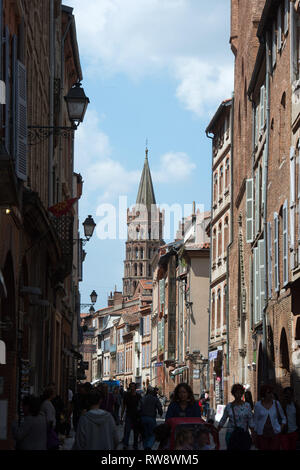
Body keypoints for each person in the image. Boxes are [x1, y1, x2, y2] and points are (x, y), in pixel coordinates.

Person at [217, 383, 254, 450]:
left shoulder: (247, 406)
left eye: (240, 392)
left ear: (242, 393)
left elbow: (251, 421)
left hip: (244, 435)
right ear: (233, 394)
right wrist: (217, 430)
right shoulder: (229, 406)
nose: (238, 394)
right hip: (231, 435)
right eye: (236, 392)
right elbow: (223, 419)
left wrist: (254, 434)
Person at [253, 384, 286, 451]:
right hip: (262, 435)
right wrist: (254, 435)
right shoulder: (258, 405)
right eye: (268, 392)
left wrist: (280, 429)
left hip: (275, 434)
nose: (271, 394)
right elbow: (255, 421)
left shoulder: (277, 403)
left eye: (271, 392)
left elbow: (284, 418)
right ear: (263, 394)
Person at [140, 386, 163, 450]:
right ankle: (149, 446)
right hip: (151, 418)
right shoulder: (155, 398)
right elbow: (159, 407)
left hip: (143, 418)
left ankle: (145, 447)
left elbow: (139, 407)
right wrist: (160, 413)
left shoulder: (143, 398)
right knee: (153, 434)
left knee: (145, 434)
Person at [121, 382, 142, 450]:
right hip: (128, 415)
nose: (132, 388)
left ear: (135, 388)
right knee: (127, 431)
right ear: (129, 388)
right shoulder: (126, 395)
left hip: (136, 416)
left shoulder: (139, 396)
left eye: (133, 387)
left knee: (136, 432)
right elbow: (123, 406)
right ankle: (125, 444)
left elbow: (141, 406)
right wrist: (121, 416)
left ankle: (135, 445)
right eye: (131, 387)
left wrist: (141, 415)